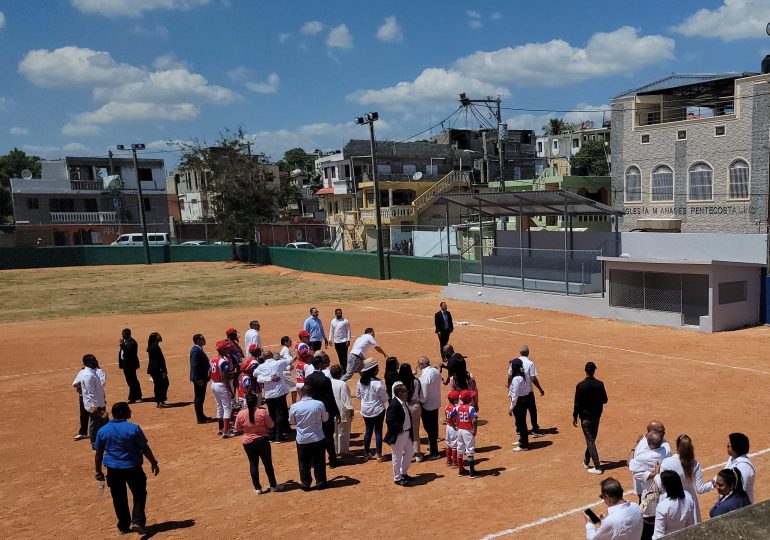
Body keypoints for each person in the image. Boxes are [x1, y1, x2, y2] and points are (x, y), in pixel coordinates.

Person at [94, 402, 160, 535]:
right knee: (140, 494)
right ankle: (137, 521)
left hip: (113, 469)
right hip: (133, 467)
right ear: (122, 413)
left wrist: (98, 470)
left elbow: (98, 453)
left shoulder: (103, 431)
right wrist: (153, 462)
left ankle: (124, 526)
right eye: (128, 411)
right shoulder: (133, 428)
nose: (130, 412)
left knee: (118, 498)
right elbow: (144, 448)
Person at [655, 434, 713, 523]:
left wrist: (656, 474)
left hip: (669, 500)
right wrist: (712, 483)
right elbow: (700, 489)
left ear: (677, 446)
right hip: (689, 501)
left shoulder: (667, 462)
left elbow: (660, 485)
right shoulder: (695, 464)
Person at [235, 393, 282, 494]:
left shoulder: (240, 414)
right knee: (267, 463)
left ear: (247, 402)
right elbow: (271, 425)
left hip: (248, 442)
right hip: (262, 440)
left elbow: (237, 428)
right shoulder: (262, 412)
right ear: (256, 402)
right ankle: (273, 485)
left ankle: (257, 488)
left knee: (253, 464)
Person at [304, 351, 342, 468]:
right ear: (320, 365)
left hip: (312, 410)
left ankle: (311, 461)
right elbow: (331, 397)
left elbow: (306, 394)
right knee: (328, 436)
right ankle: (332, 460)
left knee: (313, 435)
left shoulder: (308, 379)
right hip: (325, 410)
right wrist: (336, 411)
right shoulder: (325, 379)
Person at [629, 431, 668, 540]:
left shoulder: (643, 457)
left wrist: (634, 448)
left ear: (648, 443)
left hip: (650, 494)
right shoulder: (666, 449)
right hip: (665, 493)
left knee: (648, 523)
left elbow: (630, 464)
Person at [289, 386, 328, 491]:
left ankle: (306, 484)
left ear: (301, 394)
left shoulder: (294, 406)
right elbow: (325, 419)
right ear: (312, 393)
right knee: (319, 461)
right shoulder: (319, 404)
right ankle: (321, 483)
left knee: (304, 462)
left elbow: (292, 422)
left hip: (302, 439)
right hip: (317, 437)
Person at [573, 361, 607, 475]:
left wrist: (574, 416)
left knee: (590, 441)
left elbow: (577, 404)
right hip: (597, 417)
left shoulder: (580, 386)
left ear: (585, 371)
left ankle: (597, 467)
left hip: (586, 418)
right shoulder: (600, 384)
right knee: (591, 440)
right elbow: (605, 400)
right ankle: (586, 461)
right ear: (594, 371)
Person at [255, 345, 292, 443]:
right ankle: (279, 436)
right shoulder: (278, 363)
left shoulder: (261, 367)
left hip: (268, 395)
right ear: (272, 356)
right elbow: (290, 360)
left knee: (271, 414)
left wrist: (267, 378)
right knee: (280, 414)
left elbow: (256, 376)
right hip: (279, 393)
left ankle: (271, 435)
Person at [356, 359, 388, 461]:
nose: (378, 370)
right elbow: (384, 398)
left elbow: (358, 396)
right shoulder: (378, 383)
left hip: (365, 410)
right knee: (378, 431)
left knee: (368, 431)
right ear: (373, 370)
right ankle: (379, 454)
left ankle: (366, 453)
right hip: (377, 410)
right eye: (376, 368)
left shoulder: (359, 382)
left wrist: (366, 401)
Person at [385, 382, 415, 486]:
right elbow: (389, 420)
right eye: (405, 391)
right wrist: (399, 429)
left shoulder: (403, 402)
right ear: (399, 392)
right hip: (399, 435)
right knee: (397, 457)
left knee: (410, 452)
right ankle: (397, 478)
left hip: (406, 434)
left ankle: (403, 472)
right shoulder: (394, 404)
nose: (407, 393)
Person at [631, 420, 672, 497]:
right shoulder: (642, 449)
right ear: (652, 432)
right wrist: (654, 474)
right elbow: (636, 473)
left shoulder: (661, 442)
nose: (664, 433)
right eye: (661, 431)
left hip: (659, 486)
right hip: (646, 487)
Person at [73, 354, 108, 443]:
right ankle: (94, 442)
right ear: (87, 363)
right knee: (95, 423)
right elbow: (91, 392)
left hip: (97, 402)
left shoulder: (92, 372)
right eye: (93, 360)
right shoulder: (88, 375)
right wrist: (96, 407)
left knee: (104, 419)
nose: (95, 361)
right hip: (95, 404)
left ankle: (102, 439)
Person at [652, 470, 695, 539]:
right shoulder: (688, 497)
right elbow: (690, 525)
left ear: (665, 486)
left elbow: (658, 535)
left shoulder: (662, 507)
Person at [450, 389, 480, 478]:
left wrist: (453, 425)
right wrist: (475, 431)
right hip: (468, 432)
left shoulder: (457, 407)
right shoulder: (471, 408)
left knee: (460, 449)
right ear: (469, 399)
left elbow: (450, 416)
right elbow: (474, 420)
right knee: (470, 450)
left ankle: (461, 470)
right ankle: (472, 473)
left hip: (459, 431)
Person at [517, 345, 545, 438]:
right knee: (532, 411)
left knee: (520, 411)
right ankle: (535, 430)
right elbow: (533, 378)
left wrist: (510, 388)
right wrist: (540, 389)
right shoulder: (530, 363)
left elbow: (509, 376)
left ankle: (519, 429)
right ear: (528, 353)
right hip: (528, 392)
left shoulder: (515, 362)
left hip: (518, 392)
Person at [418, 356, 442, 460]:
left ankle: (434, 452)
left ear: (421, 365)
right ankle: (433, 449)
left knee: (429, 429)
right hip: (435, 403)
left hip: (427, 406)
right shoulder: (435, 371)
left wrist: (419, 401)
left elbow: (424, 395)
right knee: (434, 428)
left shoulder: (425, 376)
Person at [210, 341, 235, 438]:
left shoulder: (213, 360)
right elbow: (225, 378)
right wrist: (230, 391)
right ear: (223, 350)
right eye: (227, 349)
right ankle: (226, 431)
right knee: (227, 407)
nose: (228, 350)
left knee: (219, 406)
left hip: (213, 384)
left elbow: (209, 373)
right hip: (221, 385)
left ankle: (220, 429)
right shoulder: (223, 361)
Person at [398, 363, 423, 461]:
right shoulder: (416, 381)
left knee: (404, 431)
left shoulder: (400, 383)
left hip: (404, 407)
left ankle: (405, 452)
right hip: (414, 406)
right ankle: (417, 454)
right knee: (415, 430)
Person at [723, 432, 755, 503]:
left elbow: (739, 492)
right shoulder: (732, 458)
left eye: (729, 445)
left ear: (734, 451)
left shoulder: (743, 468)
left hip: (740, 508)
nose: (727, 445)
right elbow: (723, 473)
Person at [330, 364, 354, 457]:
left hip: (332, 410)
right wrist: (350, 410)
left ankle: (335, 451)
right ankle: (344, 451)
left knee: (334, 432)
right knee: (343, 432)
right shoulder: (342, 384)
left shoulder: (328, 382)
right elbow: (346, 399)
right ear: (341, 373)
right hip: (342, 410)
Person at [508, 358, 531, 452]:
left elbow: (515, 395)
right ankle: (522, 440)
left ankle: (524, 445)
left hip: (519, 403)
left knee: (521, 423)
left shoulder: (516, 379)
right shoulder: (524, 375)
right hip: (524, 400)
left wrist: (511, 407)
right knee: (520, 422)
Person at [189, 334, 212, 424]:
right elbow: (194, 366)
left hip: (202, 378)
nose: (204, 340)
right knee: (199, 398)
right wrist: (198, 379)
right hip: (199, 379)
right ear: (198, 340)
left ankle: (201, 416)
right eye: (203, 339)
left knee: (200, 398)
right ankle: (200, 418)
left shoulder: (198, 349)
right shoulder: (195, 351)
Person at [118, 329, 142, 403]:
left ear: (129, 334)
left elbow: (128, 352)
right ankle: (136, 396)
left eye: (124, 334)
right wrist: (121, 364)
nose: (123, 335)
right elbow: (121, 353)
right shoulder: (125, 342)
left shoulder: (132, 342)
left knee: (132, 381)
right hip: (125, 364)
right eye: (122, 334)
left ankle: (134, 397)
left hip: (130, 365)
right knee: (130, 381)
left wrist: (122, 345)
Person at [146, 332, 169, 408]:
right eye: (158, 336)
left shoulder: (153, 346)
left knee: (159, 385)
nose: (160, 336)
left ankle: (160, 401)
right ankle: (160, 401)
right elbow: (159, 360)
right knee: (162, 384)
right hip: (157, 369)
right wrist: (163, 370)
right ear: (155, 338)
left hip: (154, 368)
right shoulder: (155, 346)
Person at [279, 336, 298, 404]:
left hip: (282, 372)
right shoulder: (286, 349)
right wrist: (297, 355)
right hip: (285, 373)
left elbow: (289, 361)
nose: (291, 342)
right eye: (290, 341)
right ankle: (294, 404)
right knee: (294, 387)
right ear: (285, 342)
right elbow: (289, 360)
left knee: (285, 390)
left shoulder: (284, 349)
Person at [444, 391, 460, 467]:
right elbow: (451, 418)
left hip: (447, 427)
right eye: (457, 399)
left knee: (448, 444)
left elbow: (446, 417)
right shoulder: (454, 409)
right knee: (454, 445)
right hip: (453, 427)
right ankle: (454, 462)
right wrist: (454, 425)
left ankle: (448, 460)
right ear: (454, 400)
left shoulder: (447, 406)